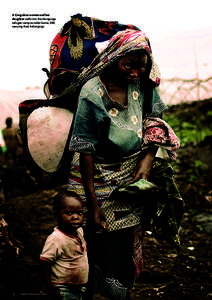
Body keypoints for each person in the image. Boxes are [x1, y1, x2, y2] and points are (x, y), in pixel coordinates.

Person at [66, 29, 184, 300]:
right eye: (128, 66)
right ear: (113, 59)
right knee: (97, 238)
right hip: (94, 176)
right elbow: (85, 151)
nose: (134, 73)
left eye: (141, 67)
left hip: (129, 174)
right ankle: (93, 289)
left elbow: (155, 119)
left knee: (126, 239)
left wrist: (147, 158)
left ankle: (121, 289)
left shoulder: (143, 84)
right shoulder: (92, 94)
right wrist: (93, 205)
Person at [40, 190, 89, 300]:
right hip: (62, 288)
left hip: (78, 287)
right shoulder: (56, 238)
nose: (76, 217)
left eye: (79, 213)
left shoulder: (79, 232)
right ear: (56, 216)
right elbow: (45, 262)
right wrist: (48, 285)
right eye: (69, 213)